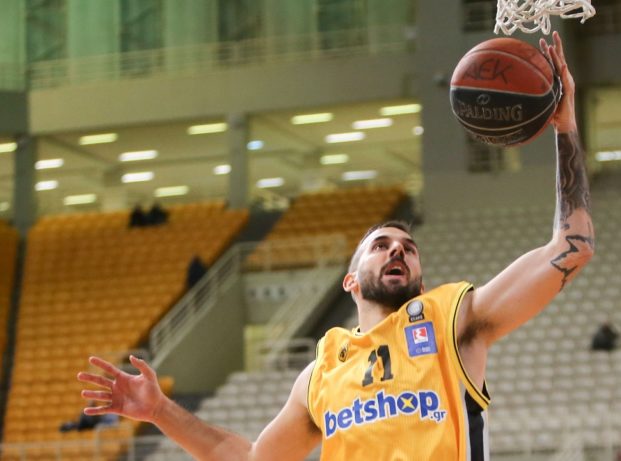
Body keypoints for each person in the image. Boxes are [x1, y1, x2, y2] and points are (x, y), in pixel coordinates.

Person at [77, 32, 594, 461]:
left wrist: (566, 127)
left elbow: (572, 246)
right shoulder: (322, 371)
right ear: (350, 281)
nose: (397, 251)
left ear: (420, 279)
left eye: (408, 248)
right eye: (380, 245)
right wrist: (160, 411)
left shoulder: (453, 322)